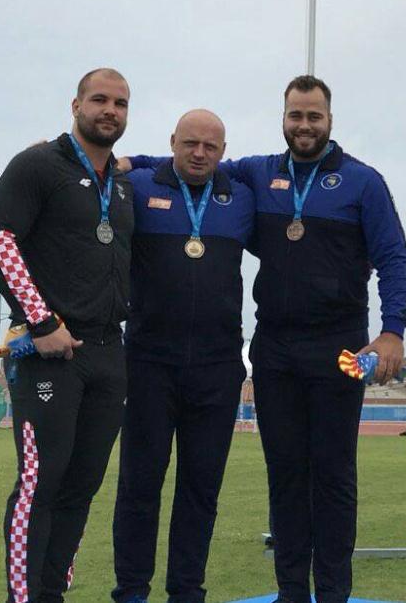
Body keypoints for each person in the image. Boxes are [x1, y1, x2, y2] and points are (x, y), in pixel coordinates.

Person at [129, 75, 406, 603]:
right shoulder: (256, 174)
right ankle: (290, 593)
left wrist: (392, 330)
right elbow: (189, 161)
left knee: (332, 475)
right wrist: (120, 163)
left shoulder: (363, 183)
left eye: (314, 116)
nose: (304, 125)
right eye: (295, 116)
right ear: (283, 118)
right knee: (283, 474)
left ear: (330, 120)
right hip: (274, 349)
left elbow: (394, 257)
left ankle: (331, 593)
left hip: (341, 348)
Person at [0, 68, 134, 603]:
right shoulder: (37, 165)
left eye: (119, 103)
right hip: (52, 354)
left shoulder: (122, 183)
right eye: (99, 100)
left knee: (81, 488)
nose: (109, 110)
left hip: (109, 354)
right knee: (39, 485)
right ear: (75, 104)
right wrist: (42, 323)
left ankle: (52, 593)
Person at [111, 110, 254, 603]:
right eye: (189, 143)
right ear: (172, 142)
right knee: (139, 485)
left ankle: (187, 591)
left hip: (217, 368)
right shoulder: (139, 184)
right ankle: (131, 591)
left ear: (223, 150)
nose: (199, 154)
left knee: (201, 490)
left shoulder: (241, 195)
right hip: (149, 362)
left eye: (210, 147)